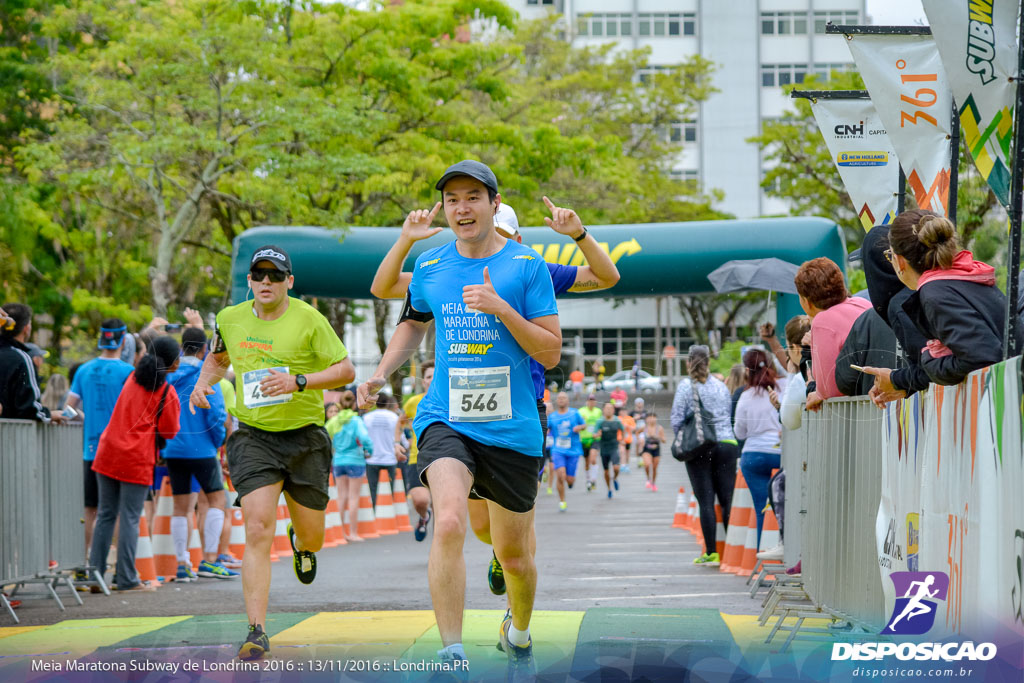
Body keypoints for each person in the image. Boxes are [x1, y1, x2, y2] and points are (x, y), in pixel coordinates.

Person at [357, 160, 560, 677]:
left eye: (473, 197)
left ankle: (519, 630)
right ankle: (451, 651)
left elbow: (552, 352)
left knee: (512, 556)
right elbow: (411, 326)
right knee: (447, 521)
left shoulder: (528, 266)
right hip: (447, 417)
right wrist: (381, 371)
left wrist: (501, 310)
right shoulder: (430, 266)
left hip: (513, 427)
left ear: (494, 204)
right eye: (452, 200)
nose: (461, 208)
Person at [367, 193, 618, 605]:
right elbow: (388, 289)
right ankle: (499, 553)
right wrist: (405, 241)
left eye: (501, 235)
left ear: (515, 237)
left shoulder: (530, 269)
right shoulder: (447, 268)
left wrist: (579, 234)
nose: (486, 248)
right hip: (460, 412)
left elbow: (606, 277)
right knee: (481, 526)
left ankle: (514, 574)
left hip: (521, 411)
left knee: (515, 531)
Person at [189, 244, 355, 661]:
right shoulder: (229, 318)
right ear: (249, 281)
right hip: (253, 437)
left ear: (289, 282)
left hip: (305, 438)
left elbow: (346, 371)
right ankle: (257, 630)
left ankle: (301, 544)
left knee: (313, 537)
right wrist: (202, 382)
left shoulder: (309, 319)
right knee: (258, 528)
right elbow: (218, 357)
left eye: (275, 276)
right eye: (259, 275)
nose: (266, 282)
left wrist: (299, 381)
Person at [862, 210, 1023, 398]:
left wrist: (930, 361)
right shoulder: (961, 277)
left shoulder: (935, 293)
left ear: (899, 261)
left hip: (1007, 398)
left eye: (890, 254)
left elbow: (981, 357)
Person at [90, 336, 182, 592]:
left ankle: (94, 576)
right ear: (171, 362)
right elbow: (170, 431)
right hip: (136, 458)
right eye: (178, 358)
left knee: (106, 515)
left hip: (108, 451)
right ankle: (127, 578)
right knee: (130, 517)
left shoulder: (133, 378)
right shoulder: (166, 391)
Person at [164, 328, 236, 581]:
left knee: (180, 507)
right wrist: (216, 443)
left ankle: (182, 564)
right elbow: (216, 414)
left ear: (182, 347)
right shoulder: (206, 375)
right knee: (217, 501)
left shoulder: (169, 375)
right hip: (203, 448)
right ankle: (209, 560)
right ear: (205, 349)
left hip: (173, 447)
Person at [65, 319, 135, 572]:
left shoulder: (84, 370)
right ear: (123, 340)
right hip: (119, 448)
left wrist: (86, 418)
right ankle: (116, 566)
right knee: (114, 509)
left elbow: (69, 408)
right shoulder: (128, 372)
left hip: (90, 449)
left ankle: (84, 564)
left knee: (92, 509)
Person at [671, 345, 738, 566]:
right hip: (727, 444)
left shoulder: (685, 387)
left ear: (688, 363)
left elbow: (676, 419)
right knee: (727, 499)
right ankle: (732, 551)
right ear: (708, 363)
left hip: (700, 447)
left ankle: (712, 552)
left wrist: (684, 439)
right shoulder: (720, 387)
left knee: (706, 501)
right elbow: (728, 414)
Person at [794, 257, 882, 411]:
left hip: (861, 411)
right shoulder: (862, 303)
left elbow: (830, 388)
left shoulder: (823, 321)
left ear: (807, 301)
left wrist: (817, 393)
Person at [857, 225, 930, 404]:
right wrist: (904, 385)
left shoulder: (902, 304)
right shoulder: (931, 287)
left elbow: (932, 368)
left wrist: (894, 379)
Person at [733, 348, 785, 548]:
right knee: (785, 507)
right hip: (781, 453)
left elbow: (740, 433)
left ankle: (764, 558)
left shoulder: (745, 397)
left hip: (753, 455)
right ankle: (787, 554)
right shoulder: (783, 386)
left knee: (762, 507)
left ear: (747, 370)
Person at [0, 303, 63, 423]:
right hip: (15, 437)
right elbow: (29, 409)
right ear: (26, 327)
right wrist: (50, 415)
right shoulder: (21, 359)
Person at [326, 390, 373, 542]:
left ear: (340, 404)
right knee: (353, 497)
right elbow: (365, 438)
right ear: (354, 404)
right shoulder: (356, 421)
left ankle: (341, 533)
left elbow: (325, 436)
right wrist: (370, 450)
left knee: (341, 497)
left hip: (338, 461)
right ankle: (352, 533)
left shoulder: (334, 421)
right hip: (355, 460)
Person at [402, 362, 435, 542]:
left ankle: (442, 548)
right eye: (429, 376)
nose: (432, 380)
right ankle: (424, 516)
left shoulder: (451, 399)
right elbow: (400, 422)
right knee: (420, 501)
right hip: (417, 458)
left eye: (436, 376)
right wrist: (396, 442)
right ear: (423, 381)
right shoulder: (414, 402)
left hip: (444, 457)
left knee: (444, 507)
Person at [361, 393, 408, 509]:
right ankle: (388, 513)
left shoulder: (367, 418)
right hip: (390, 458)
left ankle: (374, 513)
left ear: (375, 403)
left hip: (372, 459)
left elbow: (362, 438)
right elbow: (401, 437)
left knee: (373, 489)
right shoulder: (394, 417)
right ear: (387, 403)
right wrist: (406, 446)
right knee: (389, 489)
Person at [546, 392, 585, 512]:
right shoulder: (552, 417)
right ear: (557, 401)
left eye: (564, 398)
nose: (561, 400)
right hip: (558, 450)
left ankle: (571, 481)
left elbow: (584, 425)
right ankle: (562, 501)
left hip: (573, 450)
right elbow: (546, 429)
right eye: (559, 398)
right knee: (561, 475)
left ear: (568, 401)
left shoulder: (574, 413)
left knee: (569, 479)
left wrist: (579, 428)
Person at [592, 403, 623, 498]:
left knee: (616, 468)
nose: (609, 410)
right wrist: (597, 435)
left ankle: (615, 478)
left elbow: (623, 430)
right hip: (604, 448)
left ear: (613, 410)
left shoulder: (617, 420)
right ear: (603, 410)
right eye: (607, 408)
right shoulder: (600, 421)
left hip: (614, 446)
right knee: (606, 471)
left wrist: (622, 441)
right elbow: (594, 434)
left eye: (610, 408)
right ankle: (609, 489)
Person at [577, 394, 602, 492]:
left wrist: (599, 433)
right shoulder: (581, 411)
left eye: (593, 400)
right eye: (589, 400)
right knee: (587, 462)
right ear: (587, 401)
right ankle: (588, 480)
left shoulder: (598, 412)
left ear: (595, 402)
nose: (591, 402)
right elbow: (577, 423)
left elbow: (601, 424)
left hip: (594, 439)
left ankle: (593, 479)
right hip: (583, 439)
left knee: (593, 459)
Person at [638, 412, 665, 492]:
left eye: (653, 417)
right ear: (646, 419)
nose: (651, 419)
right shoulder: (644, 427)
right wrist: (640, 439)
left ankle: (653, 483)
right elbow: (636, 433)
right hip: (646, 448)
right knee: (647, 464)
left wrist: (658, 437)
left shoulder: (659, 428)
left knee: (654, 468)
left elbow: (664, 440)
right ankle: (648, 479)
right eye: (649, 418)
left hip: (656, 449)